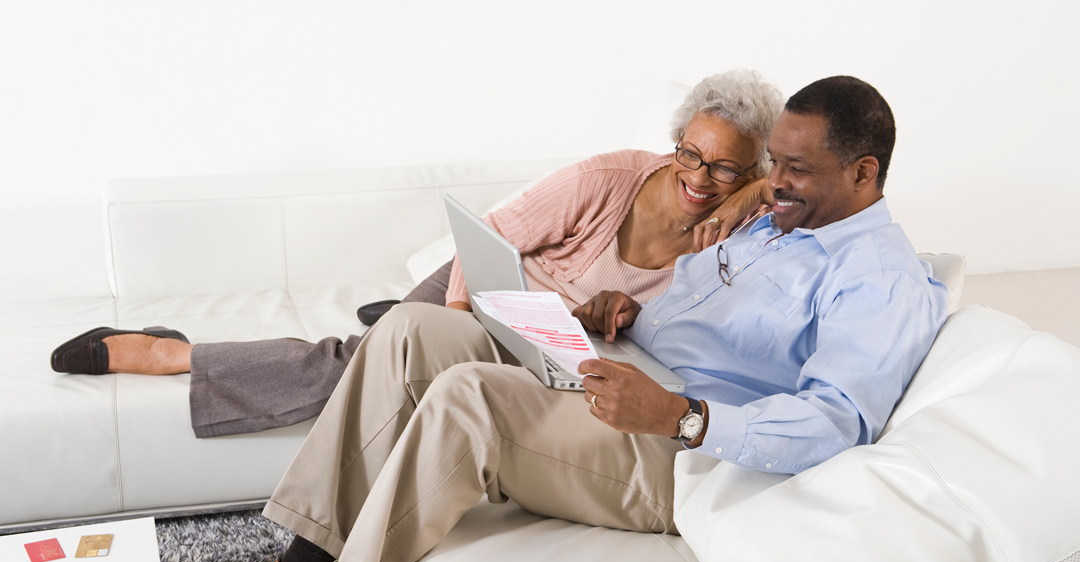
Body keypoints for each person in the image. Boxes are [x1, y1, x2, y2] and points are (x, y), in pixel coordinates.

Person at [172, 75, 950, 562]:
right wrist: (623, 312)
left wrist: (682, 415)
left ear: (866, 174)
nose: (775, 182)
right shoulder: (776, 220)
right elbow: (722, 314)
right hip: (616, 368)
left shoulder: (878, 279)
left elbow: (835, 421)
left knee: (469, 398)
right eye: (772, 163)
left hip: (677, 451)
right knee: (411, 330)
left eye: (796, 169)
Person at [49, 69, 782, 439]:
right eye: (692, 154)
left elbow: (801, 193)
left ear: (754, 171)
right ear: (674, 142)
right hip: (485, 290)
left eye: (727, 170)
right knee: (356, 365)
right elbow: (490, 234)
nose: (701, 179)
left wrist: (755, 195)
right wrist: (454, 318)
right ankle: (169, 352)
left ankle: (391, 318)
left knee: (388, 351)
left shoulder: (738, 236)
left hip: (551, 343)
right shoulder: (610, 178)